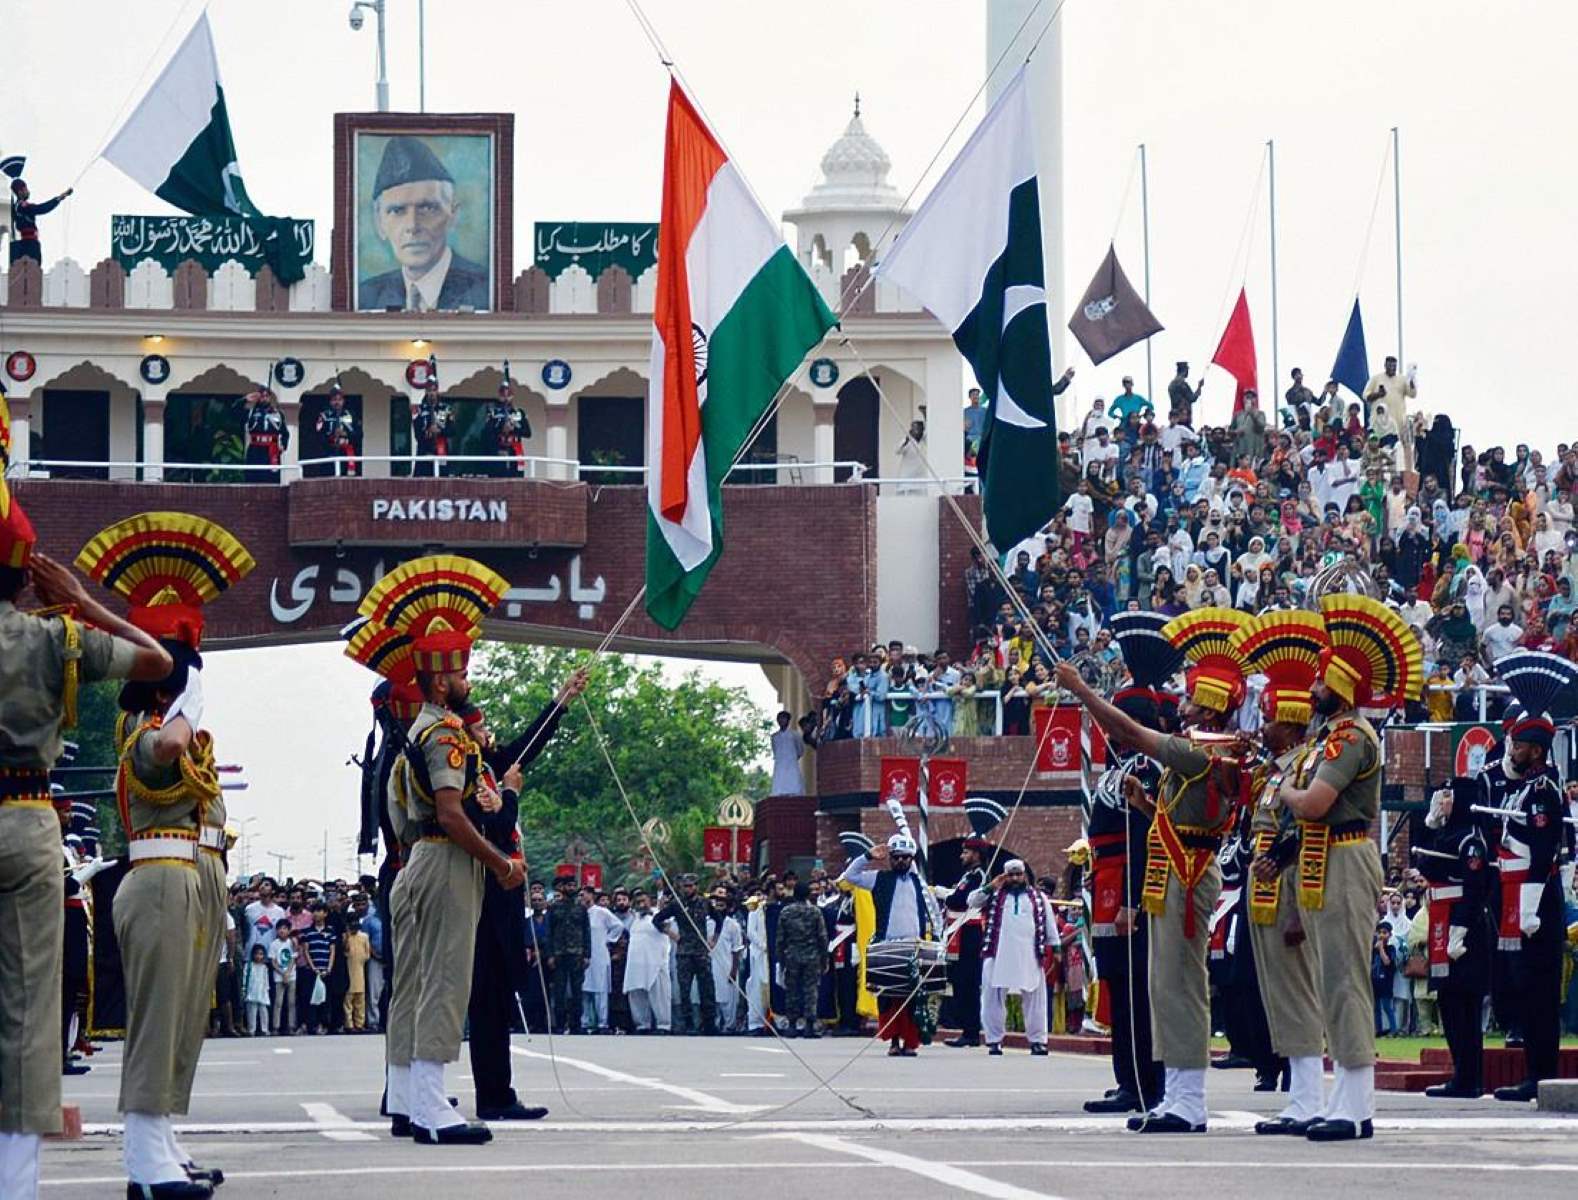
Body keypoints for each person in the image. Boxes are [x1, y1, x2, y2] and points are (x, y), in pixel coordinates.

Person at [76, 511, 254, 1195]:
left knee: (184, 1022)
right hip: (159, 876)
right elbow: (167, 753)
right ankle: (143, 1165)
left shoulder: (179, 724)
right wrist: (192, 698)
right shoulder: (144, 725)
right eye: (185, 668)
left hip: (194, 878)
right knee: (156, 1023)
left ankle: (164, 1144)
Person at [0, 490, 168, 1200]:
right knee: (30, 1008)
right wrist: (79, 600)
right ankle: (15, 1185)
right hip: (28, 814)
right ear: (24, 572)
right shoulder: (55, 637)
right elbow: (158, 662)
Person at [1056, 604, 1252, 1134]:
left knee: (1179, 987)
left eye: (1192, 698)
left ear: (1209, 706)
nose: (1181, 705)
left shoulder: (1197, 751)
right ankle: (1175, 1096)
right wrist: (1145, 803)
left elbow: (1136, 734)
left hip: (1185, 874)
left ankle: (1186, 1099)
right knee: (1164, 987)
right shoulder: (1197, 752)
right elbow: (1173, 814)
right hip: (1171, 872)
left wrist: (1081, 691)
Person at [369, 555, 522, 1145]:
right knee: (443, 981)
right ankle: (433, 1106)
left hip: (415, 862)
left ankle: (408, 1098)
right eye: (461, 670)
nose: (468, 679)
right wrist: (501, 862)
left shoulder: (417, 733)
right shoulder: (446, 735)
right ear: (440, 681)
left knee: (410, 983)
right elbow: (453, 814)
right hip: (443, 860)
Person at [1276, 594, 1423, 1141]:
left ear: (1337, 688)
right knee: (1329, 977)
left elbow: (1312, 802)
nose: (1310, 690)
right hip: (1325, 853)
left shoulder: (1352, 737)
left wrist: (1285, 787)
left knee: (1344, 979)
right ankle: (1347, 1101)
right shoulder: (1332, 736)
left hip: (1344, 850)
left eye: (1319, 681)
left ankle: (1356, 1102)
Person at [463, 674, 585, 1118]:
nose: (488, 732)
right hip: (487, 894)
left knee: (498, 1000)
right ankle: (491, 1095)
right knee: (487, 1000)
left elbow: (530, 742)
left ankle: (499, 1093)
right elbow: (493, 827)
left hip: (505, 893)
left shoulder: (489, 767)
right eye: (479, 728)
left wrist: (563, 698)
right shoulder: (471, 777)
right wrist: (510, 795)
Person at [1231, 610, 1329, 1134]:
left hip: (1289, 888)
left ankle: (1310, 1097)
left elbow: (1303, 832)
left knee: (1296, 993)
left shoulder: (1306, 766)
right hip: (1263, 887)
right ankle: (1299, 1095)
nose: (1260, 725)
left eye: (1268, 718)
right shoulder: (1275, 770)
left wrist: (1295, 909)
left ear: (1289, 721)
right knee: (1275, 993)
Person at [1080, 612, 1171, 1114]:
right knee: (1118, 985)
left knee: (1138, 990)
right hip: (1108, 886)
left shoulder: (1146, 768)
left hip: (1130, 889)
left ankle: (1143, 1083)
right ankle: (1128, 1079)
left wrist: (1134, 901)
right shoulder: (1119, 768)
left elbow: (1146, 836)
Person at [1483, 658, 1569, 1103]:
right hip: (1522, 896)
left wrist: (1532, 907)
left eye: (1517, 745)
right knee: (1524, 984)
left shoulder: (1544, 790)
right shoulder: (1523, 787)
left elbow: (1541, 851)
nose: (1509, 750)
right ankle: (1534, 1072)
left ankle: (1541, 1074)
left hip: (1539, 898)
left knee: (1539, 989)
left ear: (1535, 749)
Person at [838, 831, 942, 1056]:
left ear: (911, 859)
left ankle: (910, 1042)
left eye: (906, 857)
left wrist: (937, 940)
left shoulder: (920, 884)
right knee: (889, 998)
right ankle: (894, 1041)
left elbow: (934, 913)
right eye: (896, 857)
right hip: (888, 946)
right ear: (890, 858)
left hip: (914, 947)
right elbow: (850, 876)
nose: (901, 861)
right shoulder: (878, 878)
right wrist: (867, 856)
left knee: (913, 999)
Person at [1419, 783, 1492, 1098]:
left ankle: (1470, 1077)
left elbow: (1475, 887)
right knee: (1448, 1001)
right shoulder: (1446, 835)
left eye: (1448, 797)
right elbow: (1424, 863)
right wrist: (1429, 825)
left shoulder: (1470, 840)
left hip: (1464, 925)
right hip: (1441, 917)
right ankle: (1460, 1074)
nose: (1442, 801)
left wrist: (1460, 928)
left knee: (1465, 1003)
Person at [358, 135, 489, 311]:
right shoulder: (367, 298)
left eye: (427, 209)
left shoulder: (486, 291)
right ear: (379, 223)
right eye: (397, 211)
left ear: (453, 216)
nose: (413, 226)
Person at [970, 859, 1053, 1055]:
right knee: (992, 996)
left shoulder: (1038, 898)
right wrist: (991, 886)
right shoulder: (994, 895)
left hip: (1030, 954)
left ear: (1024, 875)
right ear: (1004, 876)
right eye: (1011, 875)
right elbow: (971, 902)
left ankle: (1037, 1041)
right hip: (997, 953)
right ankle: (994, 1040)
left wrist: (1055, 949)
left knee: (1035, 997)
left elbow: (1049, 925)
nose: (1015, 879)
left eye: (1018, 874)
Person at [942, 828, 995, 1048]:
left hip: (971, 934)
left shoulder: (979, 876)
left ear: (975, 854)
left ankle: (971, 1031)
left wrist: (947, 896)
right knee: (960, 983)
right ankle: (967, 1028)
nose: (962, 856)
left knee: (968, 983)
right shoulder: (969, 876)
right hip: (961, 933)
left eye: (966, 852)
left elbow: (959, 900)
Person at [655, 874, 718, 1035]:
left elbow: (720, 919)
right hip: (684, 953)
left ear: (697, 886)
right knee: (684, 991)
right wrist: (672, 934)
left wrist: (713, 939)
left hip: (701, 952)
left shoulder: (705, 903)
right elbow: (657, 919)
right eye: (685, 886)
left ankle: (709, 1024)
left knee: (707, 989)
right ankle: (688, 1024)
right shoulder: (677, 905)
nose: (688, 889)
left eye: (691, 886)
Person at [775, 881, 829, 1036]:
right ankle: (809, 1025)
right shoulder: (815, 912)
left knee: (791, 990)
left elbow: (780, 938)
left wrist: (780, 959)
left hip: (792, 954)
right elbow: (822, 937)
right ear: (807, 895)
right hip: (812, 956)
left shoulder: (786, 912)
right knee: (810, 990)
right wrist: (824, 959)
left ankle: (792, 1024)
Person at [4, 159, 73, 265]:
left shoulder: (20, 206)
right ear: (20, 191)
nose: (27, 191)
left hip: (31, 242)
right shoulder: (21, 206)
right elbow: (42, 208)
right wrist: (59, 198)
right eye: (25, 188)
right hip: (28, 245)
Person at [623, 889, 674, 1033]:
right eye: (638, 902)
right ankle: (642, 1025)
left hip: (656, 962)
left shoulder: (660, 915)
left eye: (644, 901)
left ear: (650, 901)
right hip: (635, 963)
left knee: (660, 995)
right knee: (636, 993)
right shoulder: (632, 918)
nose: (641, 904)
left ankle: (663, 1025)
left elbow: (668, 926)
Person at [547, 869, 591, 1033]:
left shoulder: (581, 909)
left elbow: (587, 932)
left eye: (574, 885)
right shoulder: (553, 908)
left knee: (577, 991)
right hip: (559, 955)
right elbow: (549, 933)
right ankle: (559, 1024)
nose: (572, 888)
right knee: (559, 991)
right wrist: (550, 954)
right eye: (569, 885)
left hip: (577, 955)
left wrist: (587, 954)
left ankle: (576, 1025)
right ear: (562, 887)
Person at [708, 887, 745, 1032]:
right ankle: (715, 1025)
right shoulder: (708, 923)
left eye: (722, 903)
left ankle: (729, 1025)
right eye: (717, 902)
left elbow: (737, 949)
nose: (719, 905)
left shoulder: (732, 925)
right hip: (711, 965)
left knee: (728, 999)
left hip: (727, 965)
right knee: (714, 997)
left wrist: (734, 970)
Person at [242, 388, 289, 483]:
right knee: (253, 476)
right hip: (255, 449)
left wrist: (283, 446)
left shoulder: (278, 414)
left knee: (271, 477)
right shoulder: (251, 413)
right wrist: (245, 400)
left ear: (270, 398)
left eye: (266, 396)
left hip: (271, 450)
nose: (264, 398)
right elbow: (234, 410)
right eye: (262, 396)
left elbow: (285, 433)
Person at [486, 380, 530, 477]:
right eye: (503, 393)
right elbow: (487, 432)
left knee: (516, 475)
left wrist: (514, 429)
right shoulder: (493, 413)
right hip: (498, 448)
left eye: (509, 394)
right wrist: (501, 428)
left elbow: (527, 433)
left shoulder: (519, 413)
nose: (506, 397)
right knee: (498, 475)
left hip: (515, 449)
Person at [315, 384, 359, 476]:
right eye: (334, 400)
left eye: (339, 400)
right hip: (329, 452)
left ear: (343, 401)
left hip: (346, 453)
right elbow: (318, 436)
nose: (337, 402)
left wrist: (346, 433)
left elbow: (359, 435)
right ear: (330, 401)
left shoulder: (350, 415)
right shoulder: (324, 416)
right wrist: (331, 434)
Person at [268, 920, 298, 1037]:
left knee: (291, 1002)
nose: (282, 930)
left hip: (291, 976)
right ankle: (275, 1027)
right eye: (280, 928)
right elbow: (273, 961)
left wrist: (288, 973)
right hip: (278, 977)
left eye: (285, 928)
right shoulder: (274, 944)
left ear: (289, 930)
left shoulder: (292, 943)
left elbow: (293, 958)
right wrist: (282, 973)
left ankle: (291, 1026)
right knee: (278, 1002)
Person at [769, 711, 808, 795]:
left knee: (794, 784)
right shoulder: (774, 737)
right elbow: (774, 750)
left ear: (788, 720)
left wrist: (792, 758)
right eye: (779, 718)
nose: (781, 721)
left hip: (792, 763)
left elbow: (800, 750)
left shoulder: (795, 735)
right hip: (780, 764)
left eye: (784, 718)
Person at [343, 918, 372, 1031]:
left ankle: (360, 1024)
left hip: (360, 969)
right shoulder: (346, 937)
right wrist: (347, 937)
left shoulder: (364, 937)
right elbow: (344, 951)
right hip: (348, 969)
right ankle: (349, 1024)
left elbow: (367, 954)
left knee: (360, 999)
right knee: (348, 1000)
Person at [1168, 361, 1203, 425]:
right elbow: (1192, 398)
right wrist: (1199, 387)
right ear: (1184, 370)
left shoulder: (1172, 384)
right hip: (1183, 417)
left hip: (1175, 416)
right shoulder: (1181, 384)